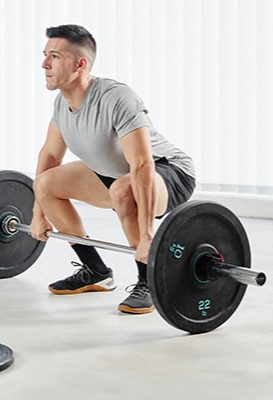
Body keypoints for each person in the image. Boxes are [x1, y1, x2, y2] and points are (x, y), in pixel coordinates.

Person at [30, 24, 196, 314]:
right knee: (45, 184)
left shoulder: (117, 98)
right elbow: (51, 156)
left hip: (169, 172)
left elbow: (142, 163)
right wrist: (38, 214)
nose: (44, 64)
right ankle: (95, 272)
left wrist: (148, 236)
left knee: (123, 189)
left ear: (80, 64)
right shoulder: (62, 104)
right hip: (118, 174)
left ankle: (149, 280)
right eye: (45, 55)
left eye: (54, 56)